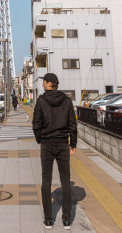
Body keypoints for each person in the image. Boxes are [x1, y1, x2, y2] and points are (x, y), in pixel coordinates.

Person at [32, 73, 77, 230]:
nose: (43, 84)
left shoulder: (41, 101)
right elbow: (73, 124)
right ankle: (66, 220)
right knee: (66, 182)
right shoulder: (67, 101)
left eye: (44, 82)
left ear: (49, 83)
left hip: (47, 144)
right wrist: (73, 144)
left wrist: (40, 139)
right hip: (63, 144)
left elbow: (36, 123)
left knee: (46, 181)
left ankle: (49, 220)